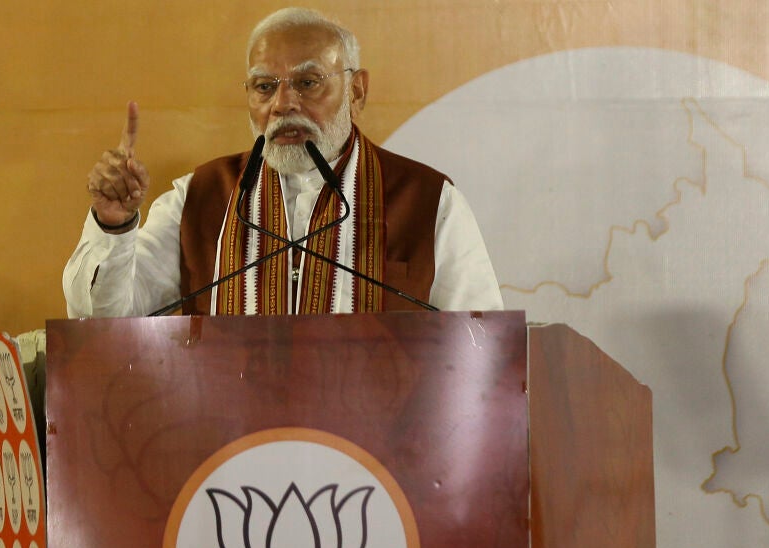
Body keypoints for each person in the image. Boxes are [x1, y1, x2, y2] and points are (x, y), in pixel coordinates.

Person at [64, 7, 502, 317]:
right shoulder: (200, 197)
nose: (282, 103)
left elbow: (482, 349)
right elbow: (102, 317)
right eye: (264, 86)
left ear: (357, 91)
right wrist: (114, 225)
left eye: (308, 82)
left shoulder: (429, 202)